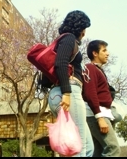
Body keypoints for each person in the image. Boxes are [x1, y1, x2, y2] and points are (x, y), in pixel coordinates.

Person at [48, 10, 94, 157]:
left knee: (87, 148)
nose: (84, 33)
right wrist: (67, 93)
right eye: (84, 28)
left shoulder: (63, 40)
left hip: (63, 92)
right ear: (79, 28)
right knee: (78, 149)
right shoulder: (69, 39)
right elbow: (60, 63)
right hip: (68, 92)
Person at [82, 40, 121, 157]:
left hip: (99, 114)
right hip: (97, 115)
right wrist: (99, 118)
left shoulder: (97, 70)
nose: (107, 53)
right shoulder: (90, 68)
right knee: (113, 149)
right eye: (104, 50)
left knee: (98, 152)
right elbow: (90, 94)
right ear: (95, 53)